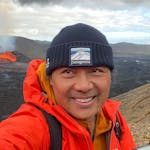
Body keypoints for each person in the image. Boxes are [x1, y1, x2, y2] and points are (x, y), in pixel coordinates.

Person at [0, 23, 136, 150]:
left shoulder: (113, 119)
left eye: (96, 71)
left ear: (110, 76)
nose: (83, 86)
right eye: (68, 72)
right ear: (50, 80)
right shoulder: (32, 127)